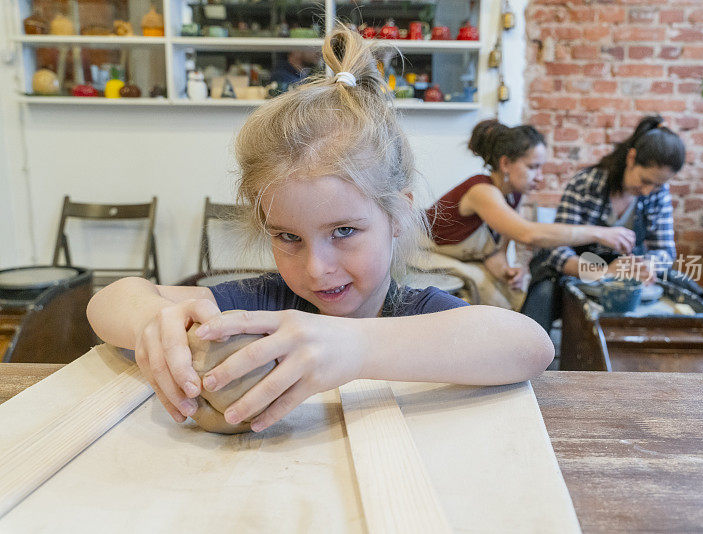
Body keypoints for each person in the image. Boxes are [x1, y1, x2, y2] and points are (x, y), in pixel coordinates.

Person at [87, 27, 554, 434]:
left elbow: (529, 345)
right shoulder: (263, 306)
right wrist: (151, 323)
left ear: (398, 217)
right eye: (288, 237)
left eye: (345, 230)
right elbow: (109, 299)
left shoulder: (419, 313)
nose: (316, 268)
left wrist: (353, 346)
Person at [424, 120, 635, 309]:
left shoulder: (513, 195)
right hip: (424, 257)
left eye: (541, 168)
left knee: (514, 294)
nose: (540, 177)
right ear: (505, 164)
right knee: (489, 300)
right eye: (533, 167)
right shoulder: (482, 191)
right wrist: (599, 233)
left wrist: (509, 272)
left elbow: (494, 253)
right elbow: (529, 234)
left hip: (458, 258)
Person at [522, 115, 687, 331]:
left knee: (689, 293)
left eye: (658, 185)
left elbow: (665, 250)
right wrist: (604, 272)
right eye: (645, 181)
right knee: (542, 295)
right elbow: (557, 251)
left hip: (624, 272)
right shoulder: (587, 184)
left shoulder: (658, 193)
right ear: (631, 158)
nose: (649, 191)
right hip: (577, 269)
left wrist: (646, 266)